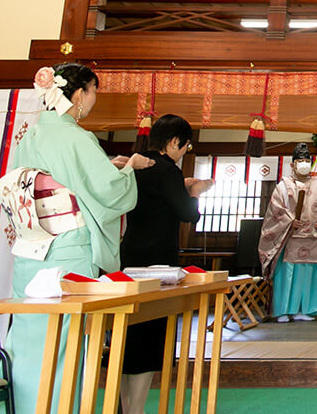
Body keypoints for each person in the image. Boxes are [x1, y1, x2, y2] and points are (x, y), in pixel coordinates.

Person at [1, 64, 153, 414]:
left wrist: (108, 166)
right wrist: (128, 169)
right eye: (94, 90)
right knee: (65, 341)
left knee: (28, 336)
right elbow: (109, 191)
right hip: (67, 251)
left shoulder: (30, 137)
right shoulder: (77, 138)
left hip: (31, 249)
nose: (95, 98)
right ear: (79, 94)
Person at [118, 114, 214, 414]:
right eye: (185, 146)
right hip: (157, 262)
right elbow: (187, 214)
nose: (184, 151)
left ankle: (124, 406)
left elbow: (154, 198)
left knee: (128, 334)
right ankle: (135, 409)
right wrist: (194, 193)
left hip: (128, 256)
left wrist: (180, 186)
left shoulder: (136, 166)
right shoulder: (167, 170)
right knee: (149, 334)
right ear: (174, 142)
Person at [258, 143, 317, 322]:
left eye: (307, 160)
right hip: (291, 238)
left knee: (309, 275)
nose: (304, 164)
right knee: (288, 275)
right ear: (292, 164)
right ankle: (284, 311)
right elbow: (276, 210)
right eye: (300, 160)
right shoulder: (283, 186)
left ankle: (306, 309)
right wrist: (289, 221)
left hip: (313, 237)